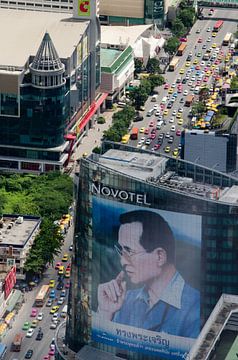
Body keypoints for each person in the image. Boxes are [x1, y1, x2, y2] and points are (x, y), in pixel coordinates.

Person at [97, 210, 200, 338]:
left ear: (159, 256)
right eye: (121, 250)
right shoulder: (125, 300)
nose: (122, 261)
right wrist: (105, 313)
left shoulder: (196, 308)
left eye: (129, 251)